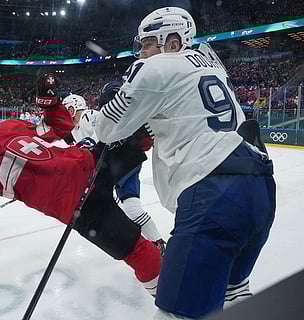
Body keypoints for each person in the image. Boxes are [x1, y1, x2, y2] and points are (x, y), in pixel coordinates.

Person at [0, 73, 161, 296]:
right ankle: (168, 296)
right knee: (136, 251)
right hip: (79, 204)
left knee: (143, 130)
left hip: (92, 165)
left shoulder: (10, 126)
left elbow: (58, 127)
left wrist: (50, 103)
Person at [94, 7, 276, 320]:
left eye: (148, 43)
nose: (142, 51)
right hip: (259, 185)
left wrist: (116, 97)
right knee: (234, 294)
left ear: (174, 41)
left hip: (215, 194)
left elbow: (107, 128)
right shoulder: (211, 60)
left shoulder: (154, 68)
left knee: (176, 312)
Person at [61, 91, 165, 247]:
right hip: (119, 163)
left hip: (123, 160)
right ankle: (157, 244)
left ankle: (155, 244)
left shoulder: (88, 116)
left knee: (122, 205)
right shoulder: (75, 130)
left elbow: (103, 132)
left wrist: (89, 143)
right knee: (131, 208)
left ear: (73, 108)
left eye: (66, 110)